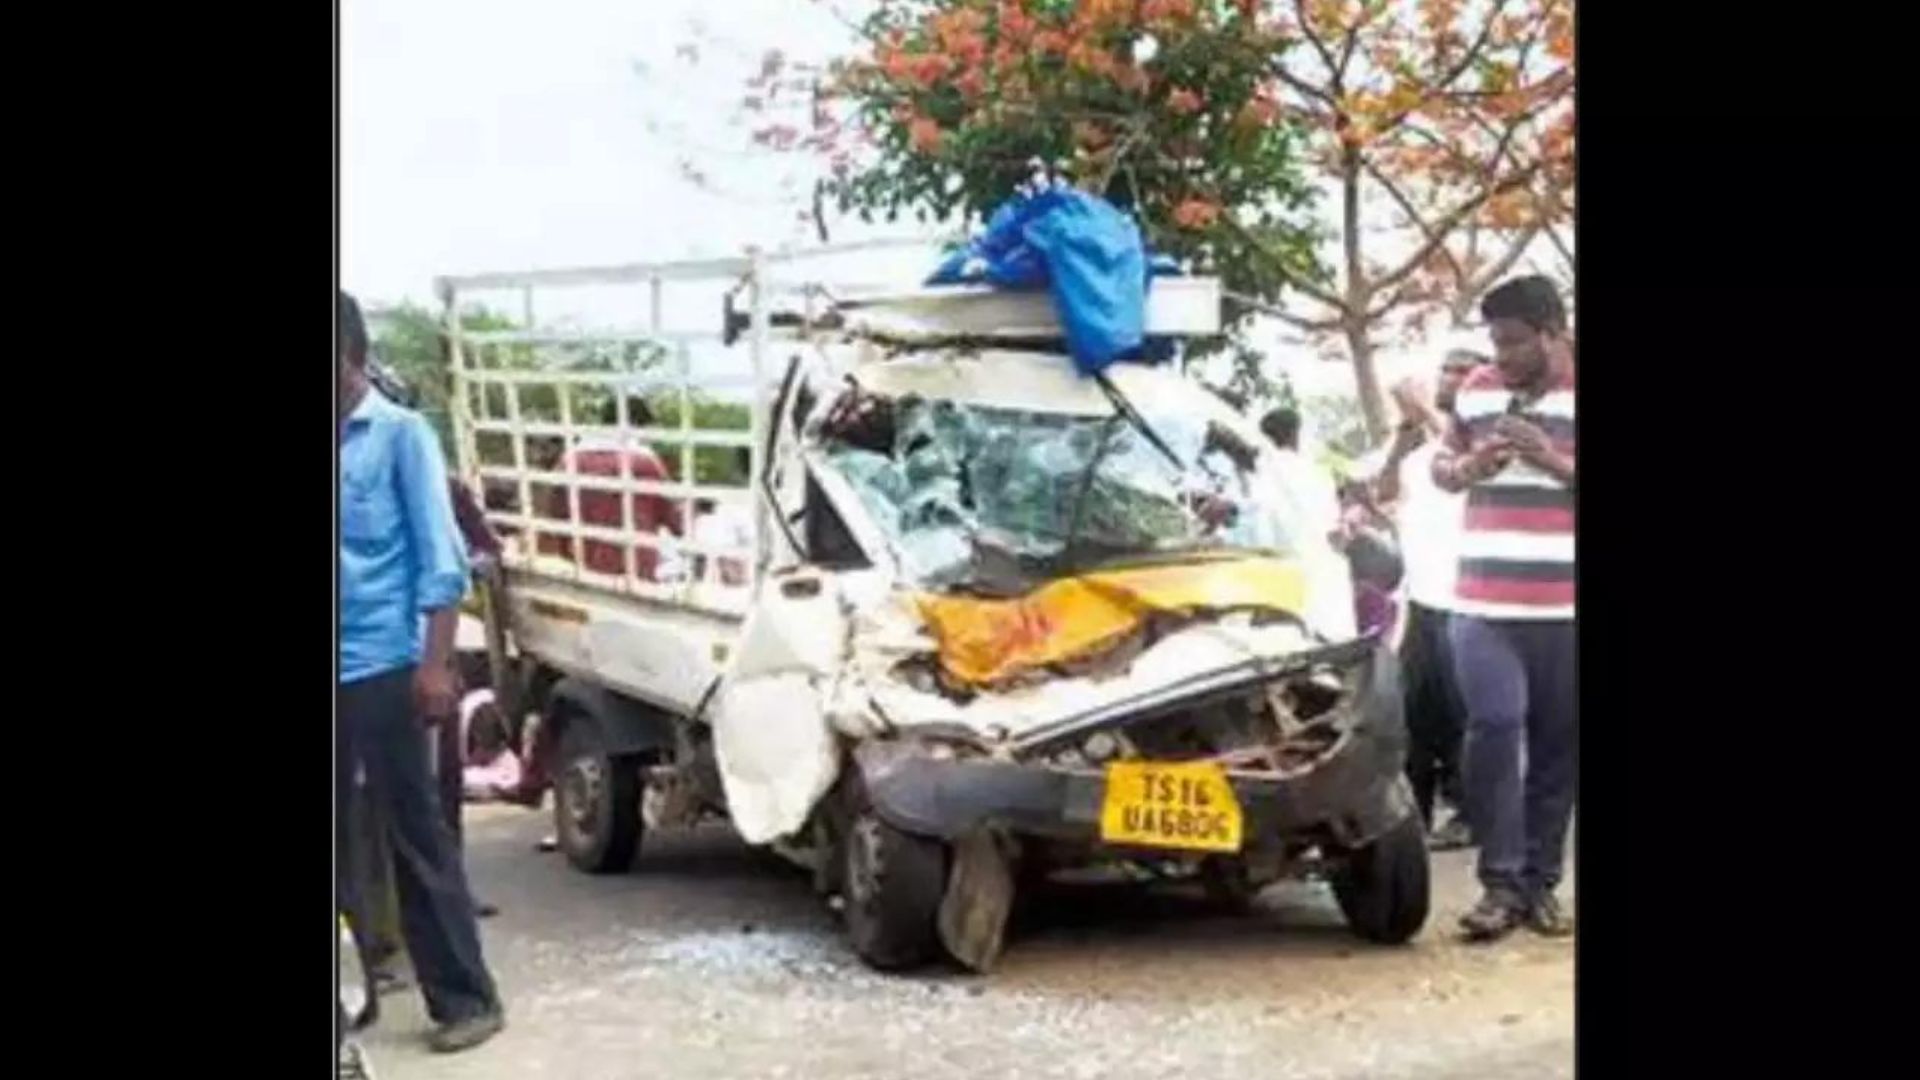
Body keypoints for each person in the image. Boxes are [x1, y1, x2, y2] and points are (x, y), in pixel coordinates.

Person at [339, 290, 506, 1052]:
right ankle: (352, 1001)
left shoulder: (401, 436)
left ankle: (466, 999)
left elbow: (441, 559)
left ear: (351, 359)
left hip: (391, 664)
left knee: (416, 834)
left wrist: (437, 665)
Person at [1431, 276, 1576, 942]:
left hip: (1566, 607)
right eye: (1495, 341)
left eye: (1515, 341)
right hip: (1484, 600)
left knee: (1557, 748)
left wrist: (1552, 460)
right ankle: (1498, 881)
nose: (1503, 355)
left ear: (1552, 332)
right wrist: (1471, 467)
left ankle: (1539, 886)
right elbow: (1443, 463)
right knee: (1494, 726)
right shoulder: (1479, 387)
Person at [1374, 342, 1487, 850]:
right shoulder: (1420, 449)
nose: (1451, 378)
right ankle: (1412, 814)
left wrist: (1423, 410)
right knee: (1410, 711)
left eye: (1465, 372)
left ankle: (1470, 814)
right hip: (1420, 599)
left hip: (1466, 598)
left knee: (1463, 713)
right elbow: (1381, 490)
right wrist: (1402, 434)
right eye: (1447, 369)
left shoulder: (1484, 442)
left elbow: (1462, 460)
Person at [536, 395, 683, 581]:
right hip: (634, 569)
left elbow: (555, 512)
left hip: (582, 565)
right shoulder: (644, 461)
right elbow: (674, 520)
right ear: (635, 425)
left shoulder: (570, 459)